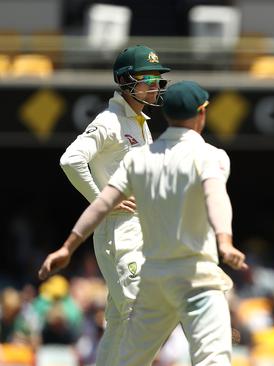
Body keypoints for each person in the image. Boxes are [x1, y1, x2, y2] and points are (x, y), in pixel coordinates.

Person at [39, 81, 248, 365]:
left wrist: (68, 247)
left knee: (127, 349)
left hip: (155, 277)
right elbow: (216, 198)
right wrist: (225, 241)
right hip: (196, 274)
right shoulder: (213, 156)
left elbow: (101, 205)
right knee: (213, 357)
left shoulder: (138, 157)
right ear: (202, 114)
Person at [58, 44, 170, 366]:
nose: (154, 86)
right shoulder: (109, 121)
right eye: (148, 78)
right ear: (126, 80)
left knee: (123, 320)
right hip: (117, 230)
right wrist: (101, 203)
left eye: (157, 78)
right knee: (141, 314)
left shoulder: (139, 121)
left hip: (138, 229)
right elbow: (71, 160)